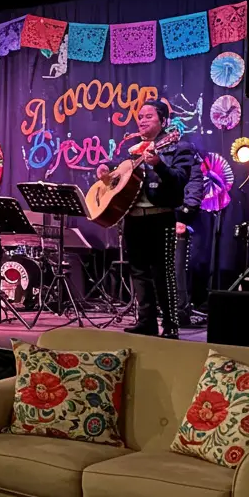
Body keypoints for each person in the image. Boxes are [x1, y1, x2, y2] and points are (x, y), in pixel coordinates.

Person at [96, 99, 195, 339]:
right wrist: (105, 169)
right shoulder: (131, 150)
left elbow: (180, 180)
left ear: (163, 121)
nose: (141, 120)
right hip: (133, 218)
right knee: (138, 272)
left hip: (160, 218)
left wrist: (159, 165)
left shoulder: (178, 147)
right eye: (139, 117)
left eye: (148, 116)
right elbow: (120, 171)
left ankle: (171, 325)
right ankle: (146, 322)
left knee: (163, 273)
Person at [175, 147, 206, 329]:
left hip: (180, 216)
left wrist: (185, 214)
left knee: (179, 267)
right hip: (154, 216)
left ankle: (181, 312)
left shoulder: (188, 155)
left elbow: (195, 185)